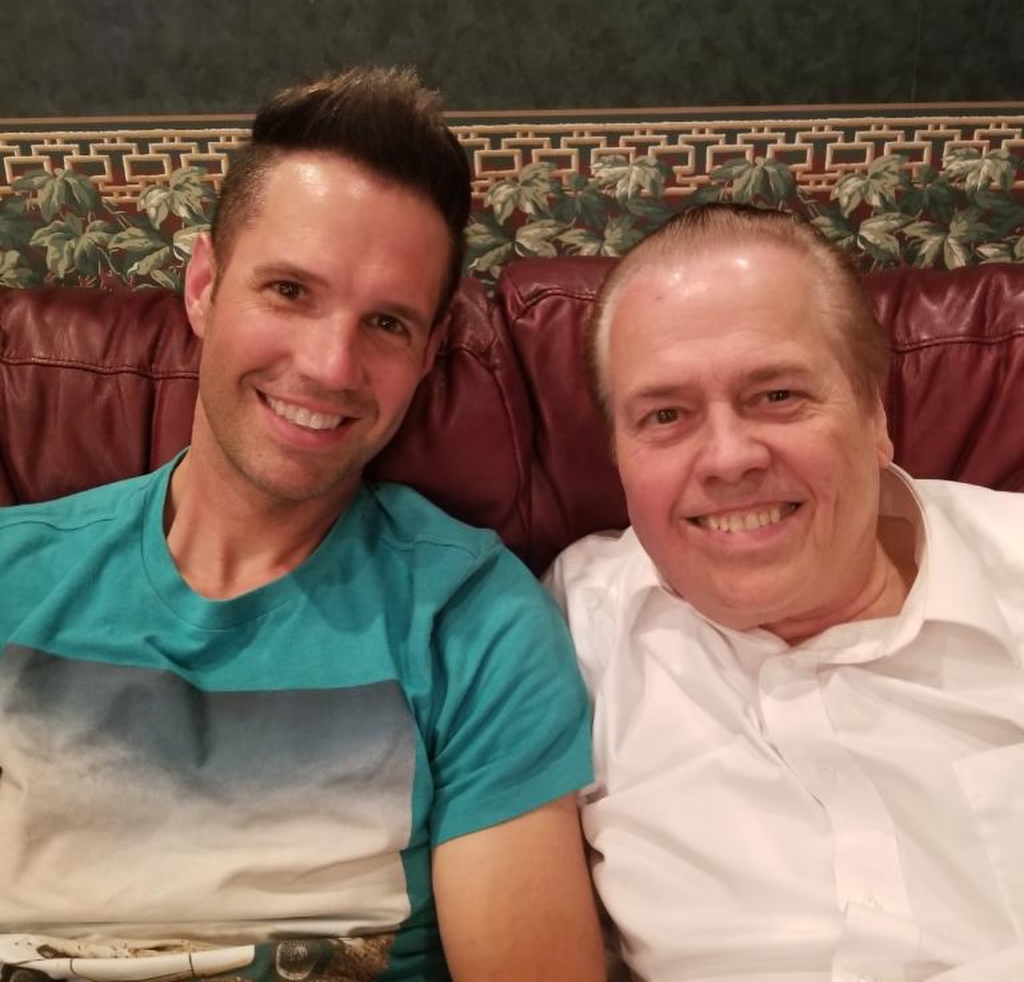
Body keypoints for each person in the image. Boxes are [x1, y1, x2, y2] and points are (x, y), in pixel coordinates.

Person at [0, 68, 604, 982]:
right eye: (289, 290)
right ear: (204, 285)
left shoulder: (473, 622)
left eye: (388, 323)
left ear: (430, 353)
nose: (329, 366)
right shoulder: (15, 576)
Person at [547, 203, 1024, 981]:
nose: (729, 458)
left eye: (778, 396)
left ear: (875, 413)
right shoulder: (567, 628)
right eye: (665, 415)